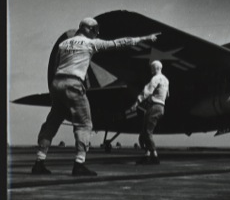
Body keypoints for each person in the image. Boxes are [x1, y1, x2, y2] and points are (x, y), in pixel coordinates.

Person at [31, 17, 158, 176]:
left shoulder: (63, 45)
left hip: (57, 84)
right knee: (84, 124)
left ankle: (39, 162)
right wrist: (144, 38)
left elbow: (57, 65)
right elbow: (119, 43)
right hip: (73, 84)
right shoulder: (91, 43)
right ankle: (79, 163)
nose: (96, 33)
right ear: (90, 30)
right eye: (95, 30)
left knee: (51, 123)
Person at [130, 60, 169, 165]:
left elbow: (146, 92)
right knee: (144, 133)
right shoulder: (166, 80)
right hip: (161, 107)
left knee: (147, 132)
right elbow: (167, 95)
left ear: (156, 68)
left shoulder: (155, 79)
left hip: (154, 107)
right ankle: (147, 155)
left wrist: (136, 103)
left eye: (152, 68)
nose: (151, 70)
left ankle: (154, 155)